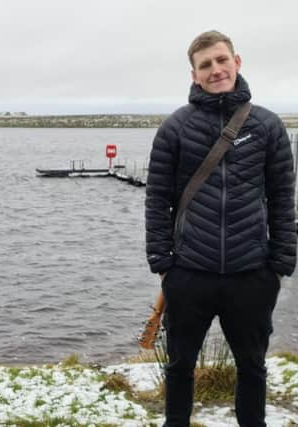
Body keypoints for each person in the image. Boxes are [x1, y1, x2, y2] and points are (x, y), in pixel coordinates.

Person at [145, 30, 296, 426]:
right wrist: (163, 263)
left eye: (221, 60)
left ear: (237, 62)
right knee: (179, 366)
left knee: (252, 368)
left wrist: (280, 264)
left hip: (251, 274)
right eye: (205, 65)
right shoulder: (174, 129)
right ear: (194, 75)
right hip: (189, 273)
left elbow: (283, 198)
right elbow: (157, 199)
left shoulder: (267, 127)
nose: (216, 70)